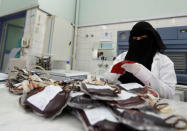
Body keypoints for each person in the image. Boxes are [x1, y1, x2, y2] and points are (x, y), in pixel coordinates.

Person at [104, 21, 177, 99]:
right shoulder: (122, 57)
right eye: (135, 38)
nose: (138, 41)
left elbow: (169, 94)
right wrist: (116, 72)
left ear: (152, 39)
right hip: (123, 101)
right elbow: (107, 80)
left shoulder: (164, 61)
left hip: (149, 104)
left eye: (142, 38)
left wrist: (142, 72)